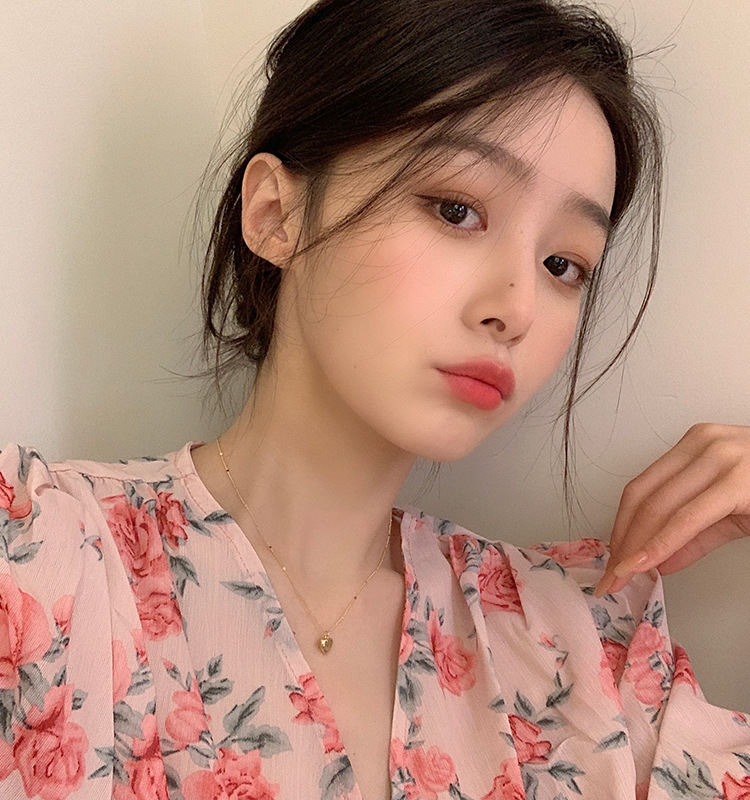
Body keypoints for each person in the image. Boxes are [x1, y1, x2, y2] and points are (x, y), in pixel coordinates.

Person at [1, 0, 749, 798]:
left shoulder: (588, 645)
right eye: (456, 209)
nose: (518, 308)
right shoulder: (41, 561)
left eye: (563, 265)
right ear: (275, 213)